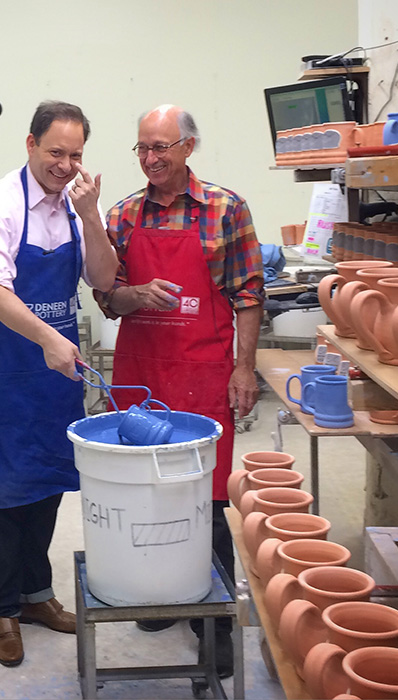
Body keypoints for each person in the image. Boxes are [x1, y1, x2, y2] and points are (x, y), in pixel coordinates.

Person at [94, 104, 264, 678]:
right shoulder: (121, 214)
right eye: (142, 148)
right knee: (144, 493)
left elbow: (248, 293)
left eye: (161, 147)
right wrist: (135, 295)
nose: (150, 158)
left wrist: (244, 370)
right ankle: (161, 597)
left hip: (202, 376)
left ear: (188, 147)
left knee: (207, 503)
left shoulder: (225, 208)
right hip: (143, 375)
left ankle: (214, 625)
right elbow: (107, 297)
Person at [0, 100, 117, 667]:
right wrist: (48, 337)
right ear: (30, 144)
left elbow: (102, 277)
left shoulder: (77, 206)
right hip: (4, 371)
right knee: (4, 490)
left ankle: (36, 594)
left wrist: (93, 215)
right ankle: (1, 608)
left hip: (56, 376)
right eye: (55, 152)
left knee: (49, 481)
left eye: (75, 155)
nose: (65, 164)